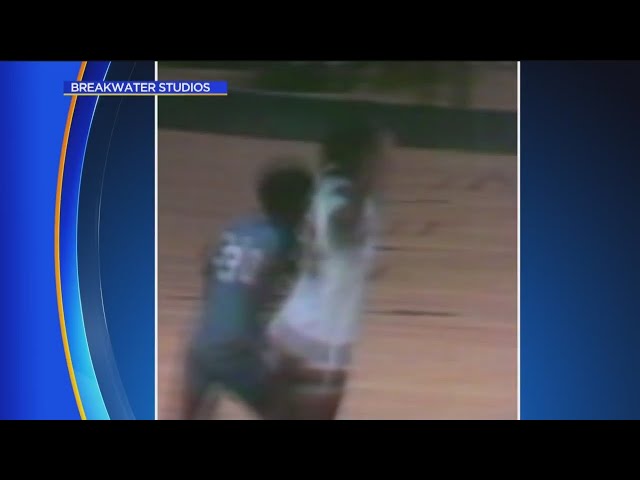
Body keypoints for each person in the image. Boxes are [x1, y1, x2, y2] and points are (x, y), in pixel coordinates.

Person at [268, 123, 392, 419]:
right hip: (321, 338)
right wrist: (367, 183)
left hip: (293, 326)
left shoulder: (325, 189)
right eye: (380, 157)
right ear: (363, 161)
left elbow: (333, 248)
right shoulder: (345, 199)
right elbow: (343, 225)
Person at [182, 161, 314, 420]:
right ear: (298, 205)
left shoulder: (238, 227)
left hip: (201, 343)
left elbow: (208, 263)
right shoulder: (287, 241)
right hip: (237, 350)